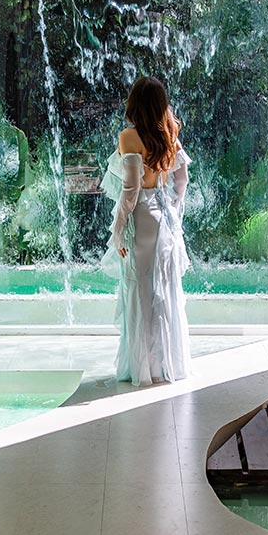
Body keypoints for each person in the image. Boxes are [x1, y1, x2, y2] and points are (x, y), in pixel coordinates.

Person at [100, 76, 192, 386]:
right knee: (163, 289)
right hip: (164, 219)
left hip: (140, 218)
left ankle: (139, 369)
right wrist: (174, 208)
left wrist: (118, 229)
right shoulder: (170, 137)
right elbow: (182, 182)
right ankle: (163, 366)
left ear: (134, 104)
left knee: (139, 290)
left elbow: (130, 190)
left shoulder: (129, 137)